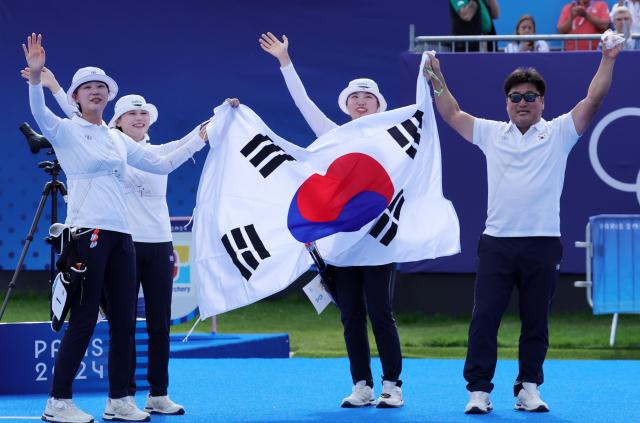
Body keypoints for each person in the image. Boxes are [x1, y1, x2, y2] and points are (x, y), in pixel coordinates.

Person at [21, 66, 240, 417]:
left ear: (109, 96)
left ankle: (120, 400)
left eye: (101, 87)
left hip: (122, 237)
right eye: (87, 87)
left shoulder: (116, 138)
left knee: (124, 322)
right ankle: (58, 401)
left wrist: (206, 131)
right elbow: (39, 112)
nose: (96, 91)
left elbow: (161, 162)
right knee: (84, 319)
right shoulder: (65, 131)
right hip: (86, 233)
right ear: (76, 97)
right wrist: (37, 81)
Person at [424, 38, 620, 414]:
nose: (523, 102)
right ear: (506, 103)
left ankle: (528, 387)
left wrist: (608, 59)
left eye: (531, 96)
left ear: (543, 102)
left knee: (535, 323)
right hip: (496, 243)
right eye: (515, 97)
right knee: (484, 320)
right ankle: (479, 391)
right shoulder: (490, 133)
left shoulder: (560, 132)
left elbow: (593, 100)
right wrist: (436, 77)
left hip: (543, 244)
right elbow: (451, 113)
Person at [259, 31, 403, 409]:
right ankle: (362, 385)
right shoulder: (333, 136)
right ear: (346, 104)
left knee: (381, 314)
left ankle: (392, 385)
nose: (360, 102)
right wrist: (285, 62)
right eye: (354, 97)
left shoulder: (394, 139)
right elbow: (303, 102)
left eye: (367, 97)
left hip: (377, 243)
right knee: (352, 317)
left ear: (378, 105)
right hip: (340, 246)